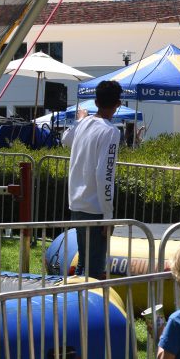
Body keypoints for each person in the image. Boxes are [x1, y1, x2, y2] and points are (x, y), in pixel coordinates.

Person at [63, 79, 123, 279]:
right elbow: (104, 174)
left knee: (82, 265)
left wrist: (80, 119)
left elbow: (65, 141)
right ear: (118, 105)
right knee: (94, 270)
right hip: (94, 209)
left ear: (95, 102)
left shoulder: (84, 123)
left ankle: (78, 306)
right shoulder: (111, 131)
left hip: (77, 204)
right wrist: (108, 215)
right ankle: (87, 309)